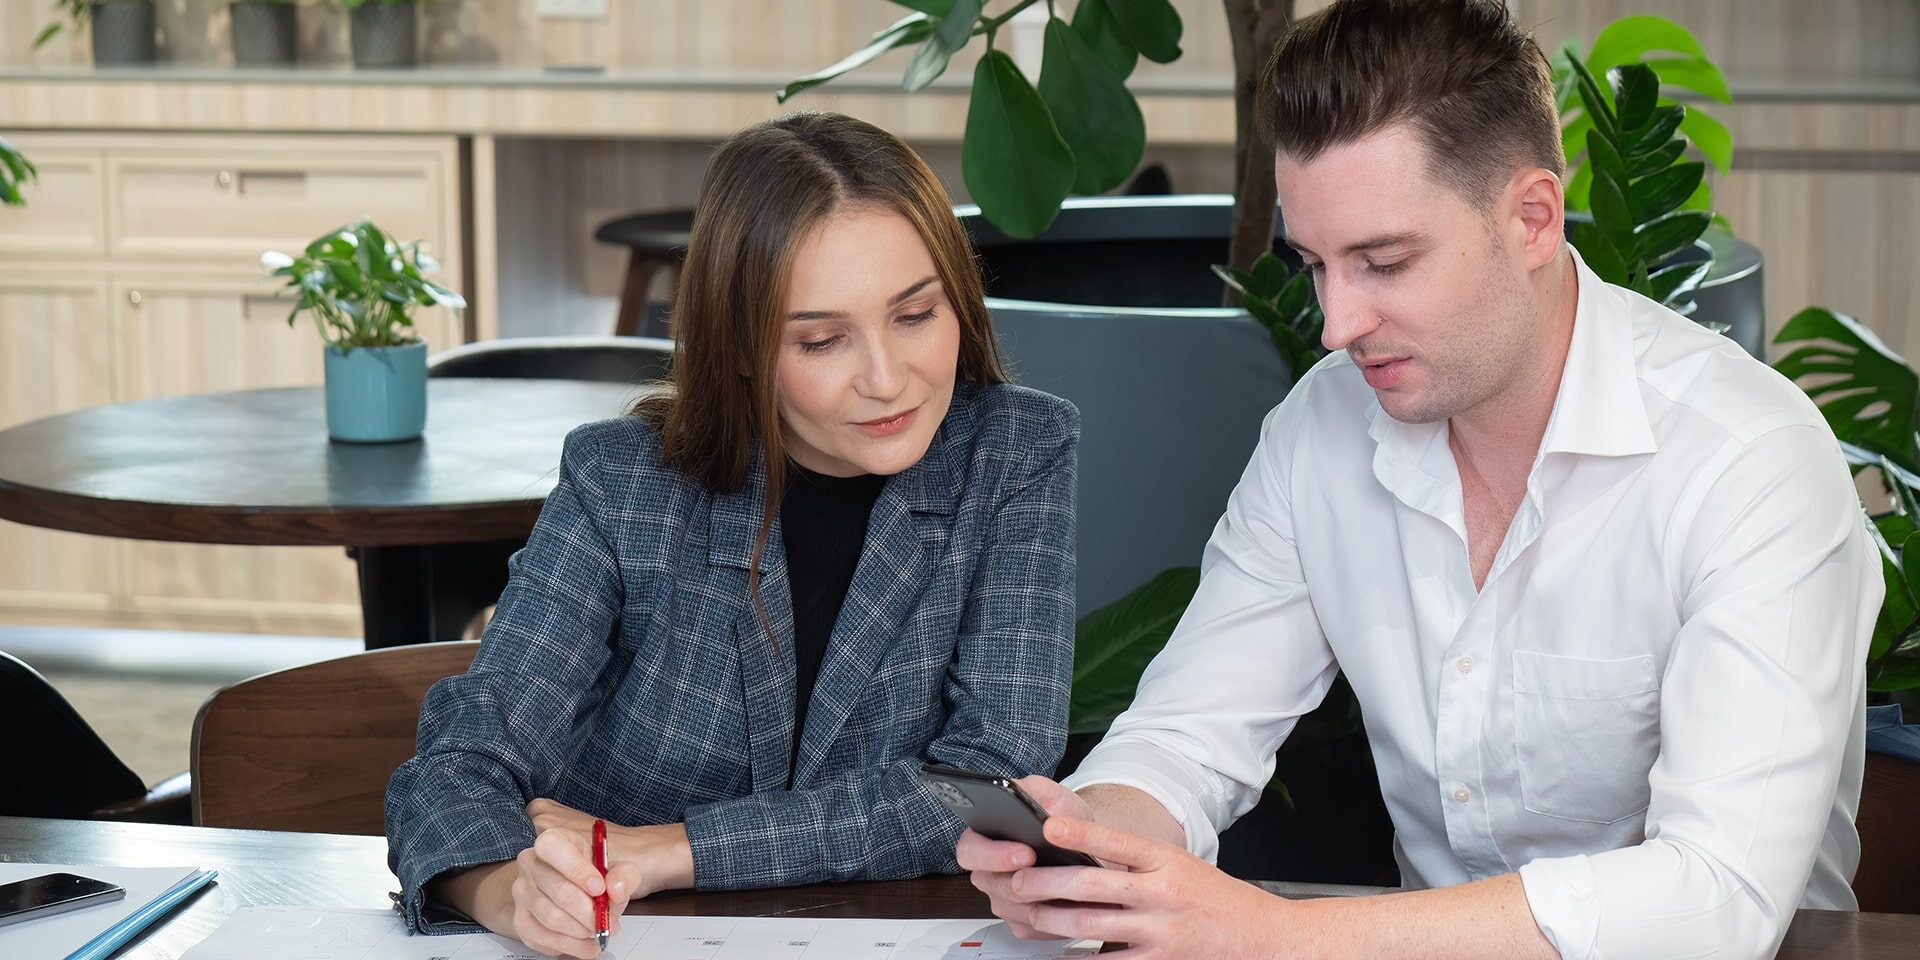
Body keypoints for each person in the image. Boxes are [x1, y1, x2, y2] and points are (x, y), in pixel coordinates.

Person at [957, 2, 1879, 958]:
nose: (1334, 322)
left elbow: (1716, 899)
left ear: (1531, 218)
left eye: (1384, 262)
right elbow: (1188, 738)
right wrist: (1090, 849)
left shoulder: (1750, 459)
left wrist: (1279, 937)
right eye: (1314, 264)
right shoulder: (1321, 430)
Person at [386, 111, 1079, 960]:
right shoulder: (623, 480)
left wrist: (670, 848)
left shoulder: (1017, 453)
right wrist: (506, 892)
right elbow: (465, 751)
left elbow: (987, 786)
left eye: (915, 314)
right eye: (822, 340)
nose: (888, 378)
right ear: (743, 346)